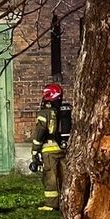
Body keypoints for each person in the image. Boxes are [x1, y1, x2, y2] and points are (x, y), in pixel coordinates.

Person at [30, 82, 69, 211]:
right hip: (63, 149)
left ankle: (51, 204)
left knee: (50, 177)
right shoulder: (64, 112)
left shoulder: (44, 113)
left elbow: (40, 133)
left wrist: (35, 152)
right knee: (64, 177)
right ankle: (67, 202)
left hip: (49, 150)